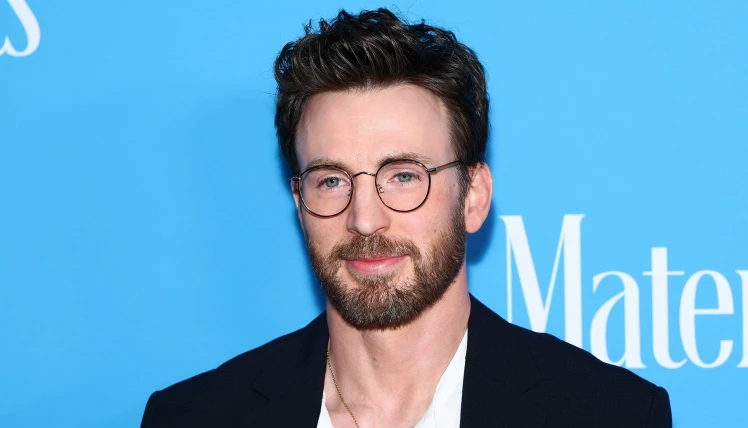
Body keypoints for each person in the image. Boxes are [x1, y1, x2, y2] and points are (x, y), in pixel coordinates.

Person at [140, 8, 672, 428]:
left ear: (473, 196)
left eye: (403, 175)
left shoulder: (609, 414)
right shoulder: (192, 417)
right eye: (331, 180)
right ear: (300, 204)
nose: (364, 219)